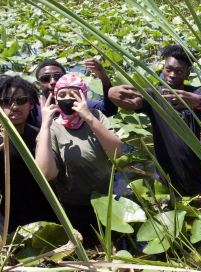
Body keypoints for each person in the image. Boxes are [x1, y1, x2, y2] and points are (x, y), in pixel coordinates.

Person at [108, 45, 201, 196]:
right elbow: (132, 104)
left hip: (194, 167)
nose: (172, 75)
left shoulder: (194, 92)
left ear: (187, 74)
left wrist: (196, 100)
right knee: (169, 202)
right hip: (166, 166)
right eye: (169, 69)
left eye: (179, 71)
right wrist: (111, 94)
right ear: (163, 69)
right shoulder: (153, 95)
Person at [36, 74, 123, 241]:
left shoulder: (96, 116)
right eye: (62, 95)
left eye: (74, 94)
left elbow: (116, 153)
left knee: (117, 243)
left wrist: (88, 117)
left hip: (107, 199)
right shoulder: (52, 129)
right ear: (55, 97)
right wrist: (45, 126)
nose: (68, 99)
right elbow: (47, 174)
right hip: (75, 206)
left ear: (84, 96)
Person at [0, 75, 58, 232]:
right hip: (12, 226)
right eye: (5, 102)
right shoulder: (1, 142)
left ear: (31, 104)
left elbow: (49, 175)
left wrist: (46, 126)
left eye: (21, 100)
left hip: (48, 217)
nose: (14, 106)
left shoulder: (38, 134)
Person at [27, 59, 118, 127]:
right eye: (45, 78)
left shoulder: (80, 103)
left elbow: (109, 109)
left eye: (57, 76)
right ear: (39, 85)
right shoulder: (32, 110)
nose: (53, 81)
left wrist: (104, 79)